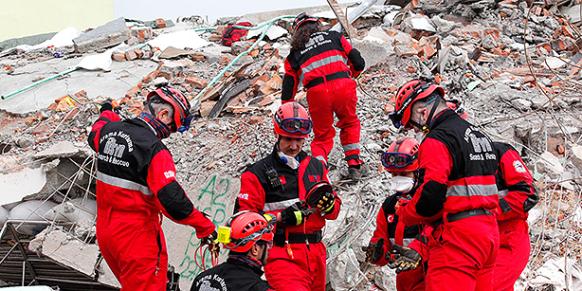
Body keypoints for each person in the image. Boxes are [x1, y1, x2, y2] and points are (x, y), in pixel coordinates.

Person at [87, 85, 217, 290]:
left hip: (107, 235)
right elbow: (172, 200)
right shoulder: (154, 150)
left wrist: (107, 111)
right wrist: (204, 226)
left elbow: (95, 130)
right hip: (137, 241)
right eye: (173, 127)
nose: (170, 134)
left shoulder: (108, 133)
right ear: (164, 114)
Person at [390, 79, 500, 291]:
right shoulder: (479, 136)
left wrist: (405, 213)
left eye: (413, 123)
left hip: (459, 239)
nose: (416, 129)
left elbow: (431, 198)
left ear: (422, 112)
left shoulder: (437, 140)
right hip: (489, 234)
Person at [235, 102, 342, 291]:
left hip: (316, 253)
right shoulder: (257, 174)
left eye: (299, 140)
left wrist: (330, 205)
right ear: (277, 134)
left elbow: (334, 212)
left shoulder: (315, 167)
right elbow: (241, 223)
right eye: (288, 139)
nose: (294, 146)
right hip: (281, 254)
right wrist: (281, 218)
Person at [281, 13, 366, 180]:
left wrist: (286, 107)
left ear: (297, 32)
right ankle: (354, 164)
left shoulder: (294, 53)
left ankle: (320, 174)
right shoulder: (335, 36)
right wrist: (352, 75)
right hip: (344, 85)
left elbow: (289, 85)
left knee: (322, 135)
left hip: (317, 93)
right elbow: (357, 60)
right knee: (349, 123)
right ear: (317, 25)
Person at [364, 137, 428, 291]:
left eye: (404, 174)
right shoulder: (389, 206)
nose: (398, 179)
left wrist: (419, 251)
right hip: (405, 281)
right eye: (394, 174)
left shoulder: (429, 202)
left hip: (432, 278)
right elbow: (383, 241)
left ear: (418, 172)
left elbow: (439, 237)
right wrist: (377, 252)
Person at [492, 142, 538, 290]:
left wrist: (488, 213)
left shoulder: (499, 152)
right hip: (479, 242)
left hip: (508, 239)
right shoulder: (453, 160)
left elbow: (528, 195)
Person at [191, 211, 275, 291]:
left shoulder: (202, 278)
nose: (269, 249)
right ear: (255, 249)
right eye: (267, 244)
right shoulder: (256, 287)